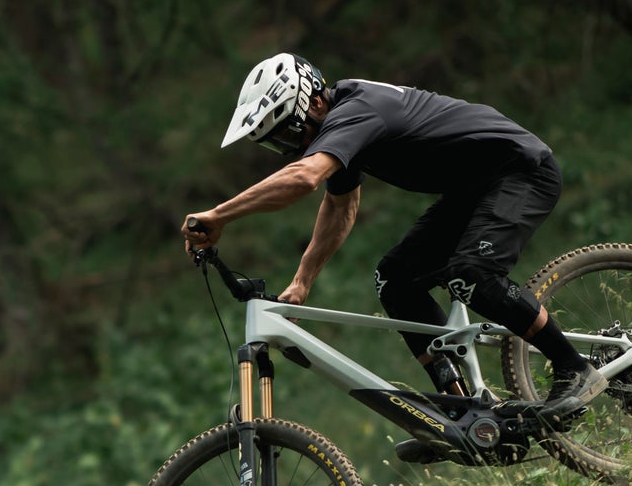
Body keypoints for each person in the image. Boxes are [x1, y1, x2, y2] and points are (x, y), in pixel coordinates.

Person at [182, 53, 606, 419]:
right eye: (278, 143)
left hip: (521, 171)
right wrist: (302, 282)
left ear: (312, 99)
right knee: (395, 279)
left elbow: (304, 179)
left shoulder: (356, 109)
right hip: (475, 189)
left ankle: (574, 368)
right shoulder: (342, 124)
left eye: (288, 131)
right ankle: (461, 410)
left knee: (472, 273)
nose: (292, 145)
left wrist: (219, 214)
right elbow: (340, 204)